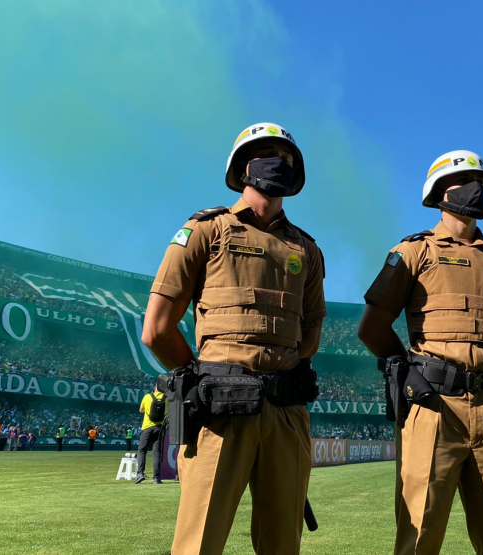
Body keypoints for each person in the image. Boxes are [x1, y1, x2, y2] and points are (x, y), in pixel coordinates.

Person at [142, 122, 326, 554]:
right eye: (267, 154)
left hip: (286, 413)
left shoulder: (308, 249)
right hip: (218, 409)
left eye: (287, 159)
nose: (279, 163)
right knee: (199, 543)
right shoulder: (205, 230)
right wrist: (204, 379)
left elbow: (313, 329)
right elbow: (155, 330)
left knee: (283, 544)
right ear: (243, 166)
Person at [358, 150, 483, 555]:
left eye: (482, 181)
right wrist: (412, 370)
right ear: (440, 192)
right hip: (433, 406)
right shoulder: (414, 252)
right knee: (419, 537)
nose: (477, 188)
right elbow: (371, 328)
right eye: (465, 180)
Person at [135, 386, 166, 484]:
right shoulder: (166, 399)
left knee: (142, 450)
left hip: (147, 427)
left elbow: (141, 410)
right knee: (157, 453)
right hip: (160, 428)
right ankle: (157, 478)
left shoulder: (147, 396)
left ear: (154, 389)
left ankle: (140, 473)